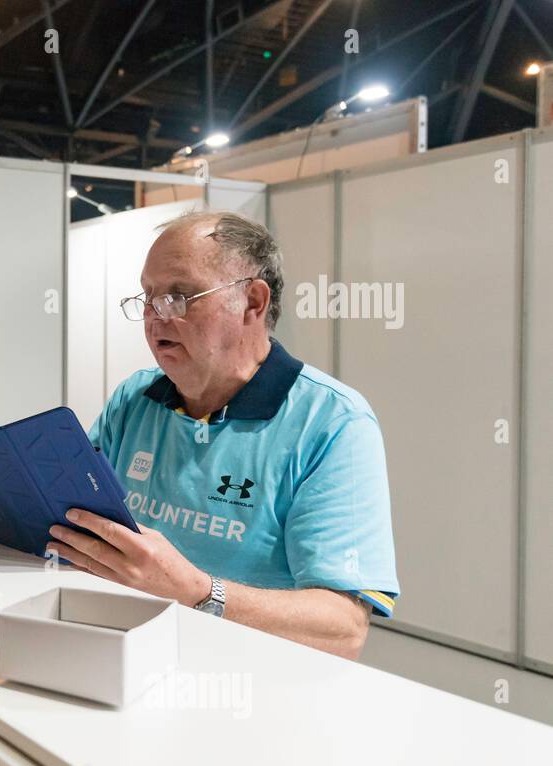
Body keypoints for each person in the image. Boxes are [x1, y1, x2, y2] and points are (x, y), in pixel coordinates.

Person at [50, 211, 398, 660]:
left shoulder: (333, 423)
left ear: (252, 302)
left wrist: (197, 591)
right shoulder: (134, 399)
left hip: (255, 690)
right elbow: (73, 522)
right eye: (148, 297)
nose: (155, 318)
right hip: (122, 660)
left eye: (178, 296)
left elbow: (343, 629)